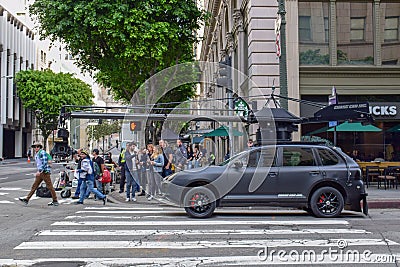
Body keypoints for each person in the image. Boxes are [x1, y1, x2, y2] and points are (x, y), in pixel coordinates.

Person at [19, 142, 59, 206]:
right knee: (34, 186)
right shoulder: (38, 154)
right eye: (35, 147)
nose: (36, 148)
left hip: (44, 172)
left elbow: (44, 162)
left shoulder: (42, 152)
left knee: (50, 187)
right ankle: (27, 199)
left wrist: (40, 171)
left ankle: (55, 200)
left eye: (37, 147)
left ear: (40, 147)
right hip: (42, 172)